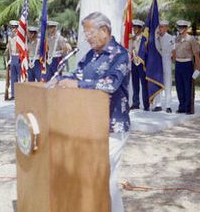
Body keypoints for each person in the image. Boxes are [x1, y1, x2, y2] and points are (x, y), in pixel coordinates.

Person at [58, 12, 130, 212]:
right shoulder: (91, 55)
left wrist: (77, 84)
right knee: (89, 175)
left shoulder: (120, 55)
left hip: (112, 126)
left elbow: (110, 84)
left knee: (106, 177)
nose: (87, 37)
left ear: (105, 30)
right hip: (88, 125)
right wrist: (60, 80)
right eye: (85, 33)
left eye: (90, 32)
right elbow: (76, 75)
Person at [172, 20, 200, 114]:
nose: (180, 29)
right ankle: (182, 106)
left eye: (182, 27)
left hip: (187, 64)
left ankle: (188, 108)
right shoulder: (176, 39)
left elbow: (196, 55)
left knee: (188, 87)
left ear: (186, 28)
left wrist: (197, 69)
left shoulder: (191, 39)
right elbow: (174, 53)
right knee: (179, 86)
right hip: (178, 64)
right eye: (179, 27)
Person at [153, 20, 175, 113]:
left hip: (167, 61)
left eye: (163, 27)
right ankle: (158, 104)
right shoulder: (156, 38)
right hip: (158, 62)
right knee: (158, 82)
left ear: (167, 28)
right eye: (160, 27)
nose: (161, 28)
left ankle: (168, 105)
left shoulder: (171, 38)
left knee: (167, 82)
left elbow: (173, 51)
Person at [129, 19, 149, 111]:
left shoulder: (144, 38)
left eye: (136, 27)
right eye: (133, 27)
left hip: (142, 63)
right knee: (135, 84)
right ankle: (135, 103)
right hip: (134, 62)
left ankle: (146, 104)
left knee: (144, 84)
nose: (134, 29)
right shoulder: (131, 38)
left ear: (140, 28)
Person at [6, 20, 20, 100]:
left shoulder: (21, 38)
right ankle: (13, 95)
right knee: (13, 77)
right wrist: (10, 59)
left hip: (19, 57)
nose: (14, 29)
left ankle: (21, 94)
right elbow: (10, 49)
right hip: (13, 57)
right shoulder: (10, 38)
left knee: (20, 77)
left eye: (15, 27)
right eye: (13, 27)